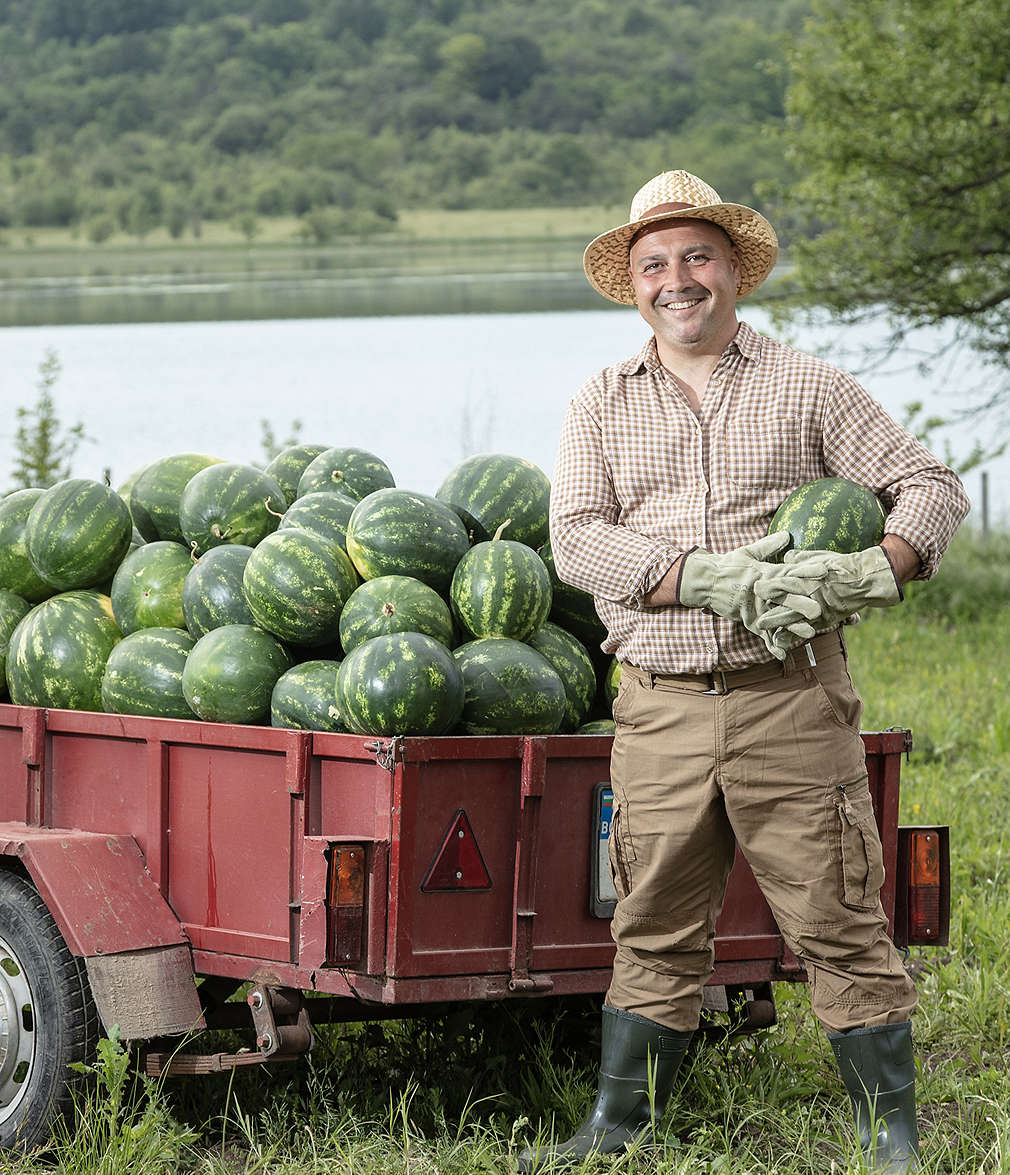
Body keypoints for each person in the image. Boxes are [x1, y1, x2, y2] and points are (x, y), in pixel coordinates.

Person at [518, 170, 970, 1174]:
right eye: (652, 264)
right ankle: (616, 1129)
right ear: (632, 286)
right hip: (661, 705)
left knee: (840, 915)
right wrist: (695, 577)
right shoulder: (599, 401)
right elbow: (576, 541)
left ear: (731, 272)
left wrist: (874, 566)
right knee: (649, 921)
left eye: (693, 257)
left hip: (788, 698)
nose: (674, 279)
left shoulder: (807, 385)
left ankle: (888, 1135)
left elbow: (928, 488)